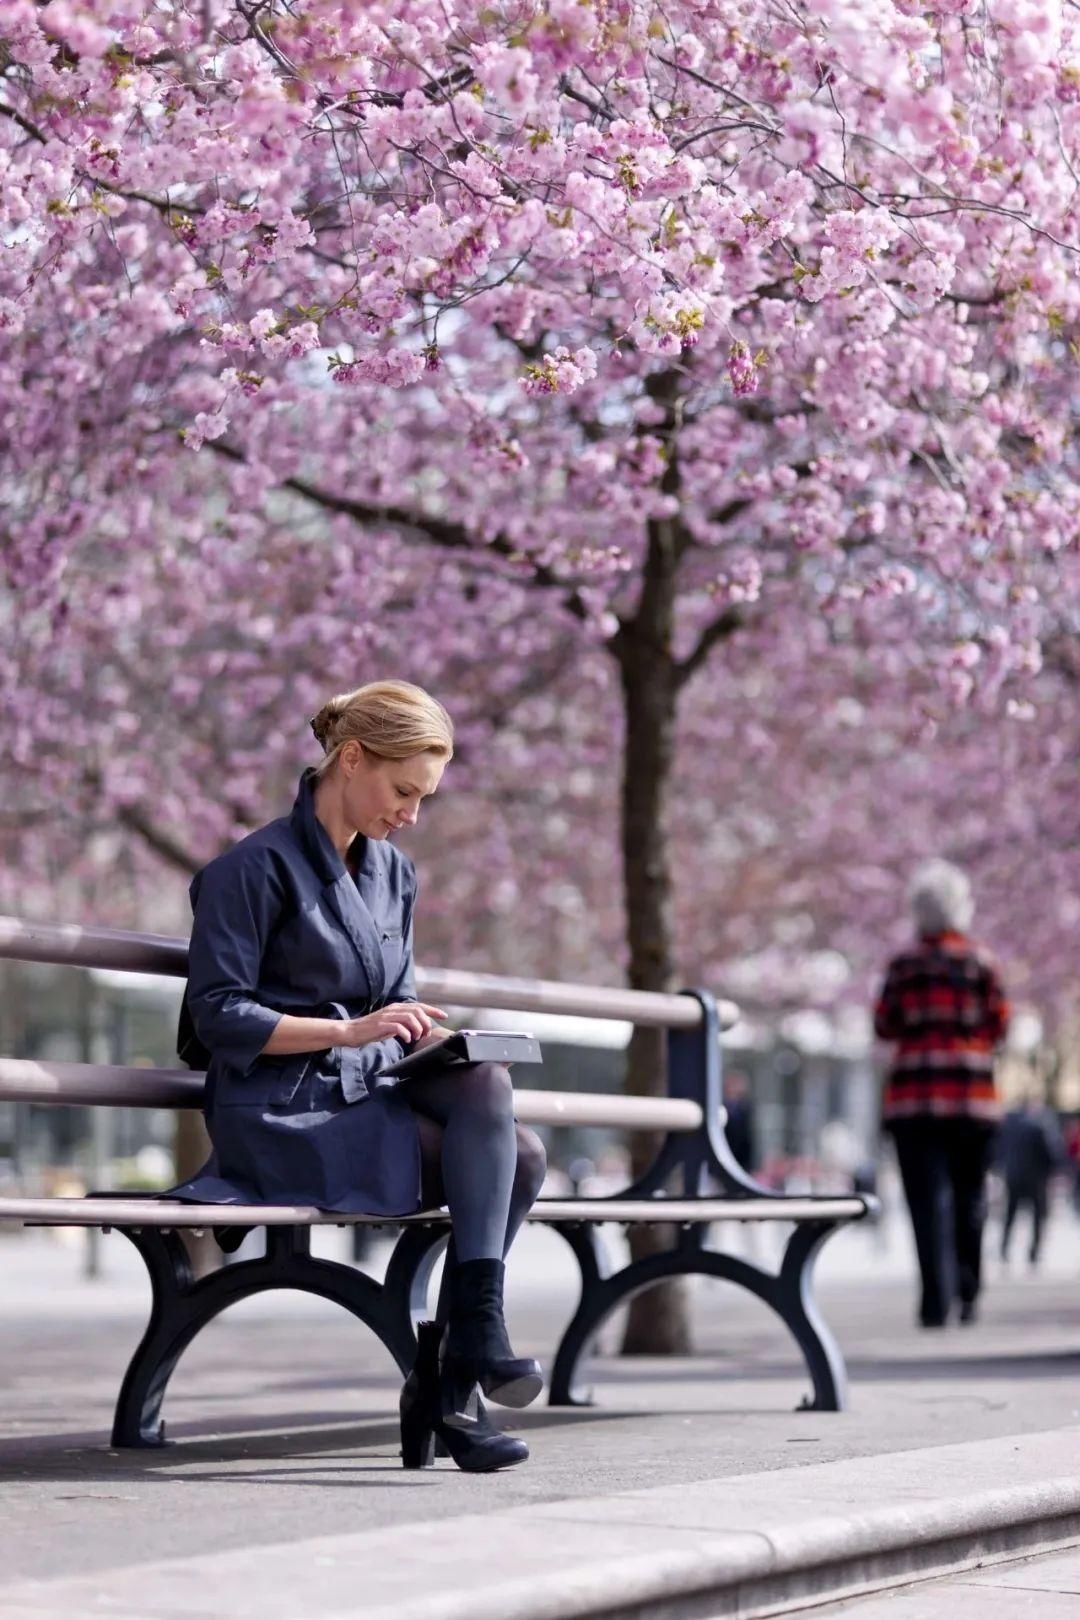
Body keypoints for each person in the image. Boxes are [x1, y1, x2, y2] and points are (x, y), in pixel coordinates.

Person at [174, 680, 547, 1473]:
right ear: (350, 759)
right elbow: (217, 1017)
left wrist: (418, 1022)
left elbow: (393, 993)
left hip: (364, 1087)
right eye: (403, 790)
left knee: (496, 1095)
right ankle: (455, 1382)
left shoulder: (394, 876)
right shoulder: (249, 870)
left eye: (425, 797)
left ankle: (465, 1352)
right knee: (517, 1155)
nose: (411, 814)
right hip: (278, 1110)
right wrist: (349, 1028)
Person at [874, 859, 1009, 1329]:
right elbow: (999, 1025)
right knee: (971, 1197)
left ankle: (935, 1300)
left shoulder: (902, 965)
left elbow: (884, 1024)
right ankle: (969, 1292)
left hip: (914, 1097)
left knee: (924, 1201)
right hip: (972, 1095)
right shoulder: (981, 962)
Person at [997, 1095, 1065, 1267]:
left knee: (1010, 1215)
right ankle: (1033, 1252)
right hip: (1036, 1179)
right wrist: (1056, 1171)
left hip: (1013, 1176)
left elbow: (1000, 1149)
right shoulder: (1041, 1126)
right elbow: (1051, 1152)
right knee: (1037, 1217)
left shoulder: (1010, 1126)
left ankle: (1004, 1248)